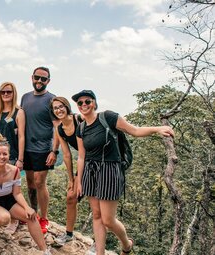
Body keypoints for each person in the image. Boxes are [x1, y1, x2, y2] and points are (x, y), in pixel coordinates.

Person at [73, 90, 174, 255]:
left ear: (94, 103)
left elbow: (134, 130)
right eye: (80, 103)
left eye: (87, 101)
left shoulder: (108, 117)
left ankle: (127, 244)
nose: (84, 105)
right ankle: (100, 253)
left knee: (108, 220)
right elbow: (81, 157)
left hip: (110, 170)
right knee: (96, 215)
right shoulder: (81, 128)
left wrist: (157, 129)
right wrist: (79, 181)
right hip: (90, 172)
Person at [20, 66, 59, 234]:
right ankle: (33, 213)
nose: (40, 81)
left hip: (43, 148)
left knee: (39, 182)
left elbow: (57, 127)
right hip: (26, 148)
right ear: (32, 77)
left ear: (48, 81)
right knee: (29, 183)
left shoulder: (52, 99)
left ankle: (44, 218)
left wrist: (54, 151)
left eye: (44, 79)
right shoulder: (25, 98)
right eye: (37, 77)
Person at [0, 81, 25, 234]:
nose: (6, 94)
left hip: (11, 156)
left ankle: (15, 220)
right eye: (3, 92)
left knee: (11, 189)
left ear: (13, 93)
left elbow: (22, 136)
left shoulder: (19, 112)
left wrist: (20, 159)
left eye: (8, 92)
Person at [50, 96, 82, 244]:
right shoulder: (59, 129)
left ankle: (99, 242)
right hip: (83, 164)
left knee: (97, 203)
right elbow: (67, 155)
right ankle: (68, 235)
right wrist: (71, 179)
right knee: (70, 197)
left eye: (61, 106)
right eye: (55, 108)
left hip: (97, 162)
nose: (58, 110)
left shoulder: (79, 119)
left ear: (67, 106)